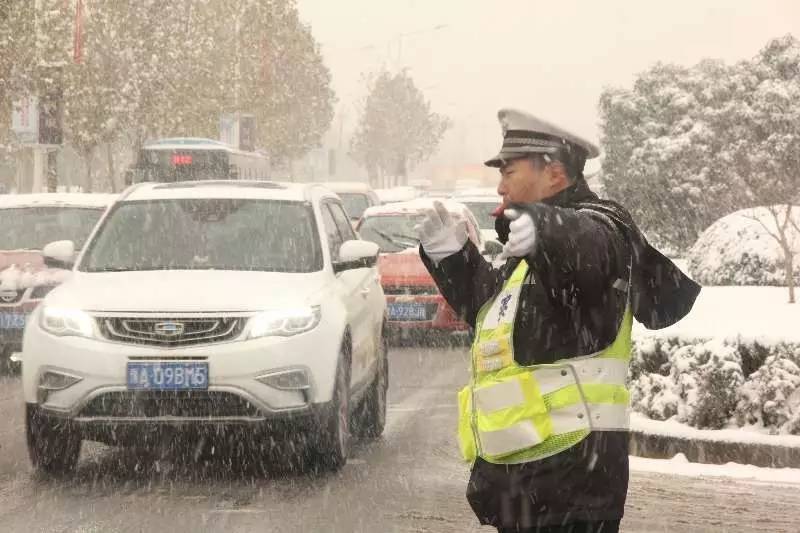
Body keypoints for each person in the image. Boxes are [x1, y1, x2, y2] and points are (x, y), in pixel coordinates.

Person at [415, 109, 701, 533]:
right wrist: (453, 259)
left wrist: (546, 228)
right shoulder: (530, 251)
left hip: (573, 487)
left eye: (509, 172)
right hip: (524, 487)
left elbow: (590, 244)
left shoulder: (603, 225)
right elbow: (497, 316)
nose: (500, 186)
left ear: (553, 172)